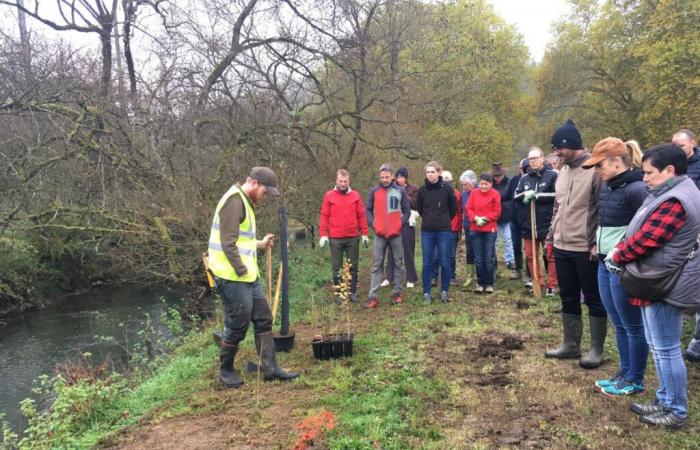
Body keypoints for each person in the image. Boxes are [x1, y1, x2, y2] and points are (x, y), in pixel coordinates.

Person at [608, 143, 700, 429]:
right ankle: (664, 399)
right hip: (658, 278)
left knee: (666, 348)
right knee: (659, 346)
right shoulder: (670, 192)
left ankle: (676, 411)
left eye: (648, 172)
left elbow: (648, 239)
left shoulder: (676, 200)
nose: (644, 178)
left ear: (669, 170)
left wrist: (618, 255)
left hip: (664, 282)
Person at [208, 167, 298, 388]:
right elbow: (227, 242)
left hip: (247, 276)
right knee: (237, 324)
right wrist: (240, 269)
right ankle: (226, 371)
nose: (265, 197)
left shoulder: (245, 203)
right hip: (232, 276)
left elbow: (240, 240)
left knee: (263, 318)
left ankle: (270, 368)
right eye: (265, 193)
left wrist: (259, 243)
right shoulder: (234, 201)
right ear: (255, 183)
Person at [581, 138, 648, 396]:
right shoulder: (608, 187)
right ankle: (624, 372)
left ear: (616, 161)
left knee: (632, 325)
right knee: (618, 322)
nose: (597, 171)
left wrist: (623, 255)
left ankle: (635, 378)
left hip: (623, 266)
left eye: (600, 165)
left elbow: (642, 231)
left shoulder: (637, 189)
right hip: (604, 262)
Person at [544, 119, 606, 369]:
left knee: (593, 297)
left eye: (559, 147)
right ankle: (570, 344)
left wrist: (596, 242)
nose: (556, 153)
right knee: (567, 295)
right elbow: (558, 207)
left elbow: (603, 209)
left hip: (585, 246)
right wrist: (551, 234)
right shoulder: (564, 171)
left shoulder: (595, 171)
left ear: (572, 146)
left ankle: (596, 350)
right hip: (562, 244)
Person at [318, 169, 369, 303]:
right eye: (340, 181)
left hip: (352, 236)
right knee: (337, 266)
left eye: (345, 181)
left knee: (353, 265)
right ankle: (340, 293)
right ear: (336, 181)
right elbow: (324, 215)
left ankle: (352, 292)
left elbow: (361, 215)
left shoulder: (355, 196)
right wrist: (323, 234)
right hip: (335, 237)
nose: (342, 183)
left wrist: (365, 233)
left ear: (349, 181)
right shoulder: (329, 196)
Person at [671, 129, 700, 364]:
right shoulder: (670, 166)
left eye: (681, 145)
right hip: (677, 235)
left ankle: (696, 345)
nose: (677, 149)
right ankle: (674, 340)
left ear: (693, 143)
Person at [514, 147, 558, 296]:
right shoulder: (524, 178)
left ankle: (552, 284)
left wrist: (538, 196)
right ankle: (537, 282)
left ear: (542, 158)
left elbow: (557, 195)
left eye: (535, 158)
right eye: (530, 159)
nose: (532, 161)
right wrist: (525, 195)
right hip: (529, 224)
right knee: (531, 255)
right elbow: (516, 197)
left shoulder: (553, 175)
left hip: (547, 223)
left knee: (550, 255)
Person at [365, 163, 410, 308]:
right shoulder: (374, 191)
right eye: (382, 177)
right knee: (377, 265)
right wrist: (374, 224)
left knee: (398, 263)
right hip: (380, 234)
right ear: (380, 176)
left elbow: (407, 211)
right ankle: (373, 297)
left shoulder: (400, 191)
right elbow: (368, 210)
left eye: (387, 177)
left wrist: (399, 224)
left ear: (392, 176)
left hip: (396, 234)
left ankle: (397, 293)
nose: (384, 179)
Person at [416, 161, 457, 303]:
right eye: (428, 172)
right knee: (427, 262)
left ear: (439, 173)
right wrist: (429, 220)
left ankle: (444, 291)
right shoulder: (422, 191)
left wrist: (443, 220)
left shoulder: (447, 189)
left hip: (444, 231)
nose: (430, 175)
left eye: (433, 172)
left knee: (444, 261)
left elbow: (454, 208)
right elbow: (420, 209)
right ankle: (426, 292)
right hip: (427, 231)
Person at [384, 167, 419, 289]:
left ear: (406, 178)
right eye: (398, 177)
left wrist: (403, 195)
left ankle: (411, 277)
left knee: (408, 249)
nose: (399, 180)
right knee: (391, 249)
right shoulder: (390, 188)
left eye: (402, 177)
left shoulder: (414, 189)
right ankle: (389, 277)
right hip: (393, 222)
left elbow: (416, 203)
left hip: (407, 222)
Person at [466, 173, 501, 293]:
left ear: (491, 184)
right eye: (482, 183)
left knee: (488, 257)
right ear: (478, 183)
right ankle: (480, 283)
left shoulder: (495, 194)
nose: (484, 186)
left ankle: (489, 283)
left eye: (486, 184)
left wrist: (485, 219)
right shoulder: (474, 193)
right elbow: (469, 208)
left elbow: (497, 211)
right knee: (479, 258)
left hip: (489, 230)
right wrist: (475, 218)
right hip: (475, 229)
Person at [431, 171, 462, 286]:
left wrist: (459, 229)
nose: (446, 184)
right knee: (435, 255)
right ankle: (434, 277)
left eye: (448, 181)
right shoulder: (434, 193)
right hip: (437, 228)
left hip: (452, 229)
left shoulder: (457, 194)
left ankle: (451, 277)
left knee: (451, 255)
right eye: (444, 181)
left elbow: (459, 212)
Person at [505, 158, 530, 284]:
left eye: (526, 168)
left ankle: (528, 272)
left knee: (528, 248)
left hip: (528, 219)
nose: (524, 170)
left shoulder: (532, 179)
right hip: (514, 219)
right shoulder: (514, 180)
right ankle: (518, 269)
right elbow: (507, 195)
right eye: (522, 168)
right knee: (516, 245)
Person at [492, 163, 515, 276]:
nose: (498, 178)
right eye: (496, 176)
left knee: (508, 239)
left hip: (507, 216)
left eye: (499, 175)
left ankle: (510, 260)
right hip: (494, 218)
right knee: (494, 241)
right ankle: (493, 260)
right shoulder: (490, 184)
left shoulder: (509, 182)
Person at [459, 170, 477, 288]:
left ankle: (487, 274)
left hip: (479, 225)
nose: (464, 187)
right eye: (462, 185)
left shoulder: (478, 192)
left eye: (465, 184)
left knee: (481, 251)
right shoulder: (464, 194)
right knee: (470, 251)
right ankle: (470, 276)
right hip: (467, 225)